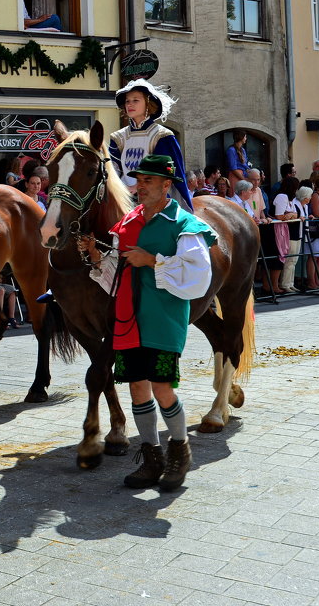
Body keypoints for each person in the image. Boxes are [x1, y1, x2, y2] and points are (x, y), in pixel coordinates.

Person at [77, 155, 217, 491]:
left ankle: (180, 453)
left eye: (147, 181)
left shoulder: (184, 224)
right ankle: (151, 457)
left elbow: (199, 276)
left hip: (163, 318)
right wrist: (98, 259)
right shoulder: (127, 223)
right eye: (138, 181)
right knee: (138, 388)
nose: (139, 187)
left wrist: (153, 260)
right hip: (128, 319)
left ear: (166, 185)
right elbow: (116, 275)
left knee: (162, 388)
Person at [108, 79, 192, 210]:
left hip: (155, 195)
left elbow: (164, 172)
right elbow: (113, 169)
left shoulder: (162, 135)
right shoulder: (118, 137)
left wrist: (137, 187)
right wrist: (120, 189)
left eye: (135, 100)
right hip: (124, 196)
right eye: (127, 101)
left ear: (148, 103)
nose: (130, 104)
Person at [272, 177, 302, 294]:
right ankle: (284, 283)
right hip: (282, 230)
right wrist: (290, 215)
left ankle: (290, 283)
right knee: (287, 257)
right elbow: (280, 216)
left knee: (293, 259)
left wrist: (291, 215)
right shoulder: (282, 196)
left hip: (289, 229)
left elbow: (294, 213)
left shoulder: (290, 199)